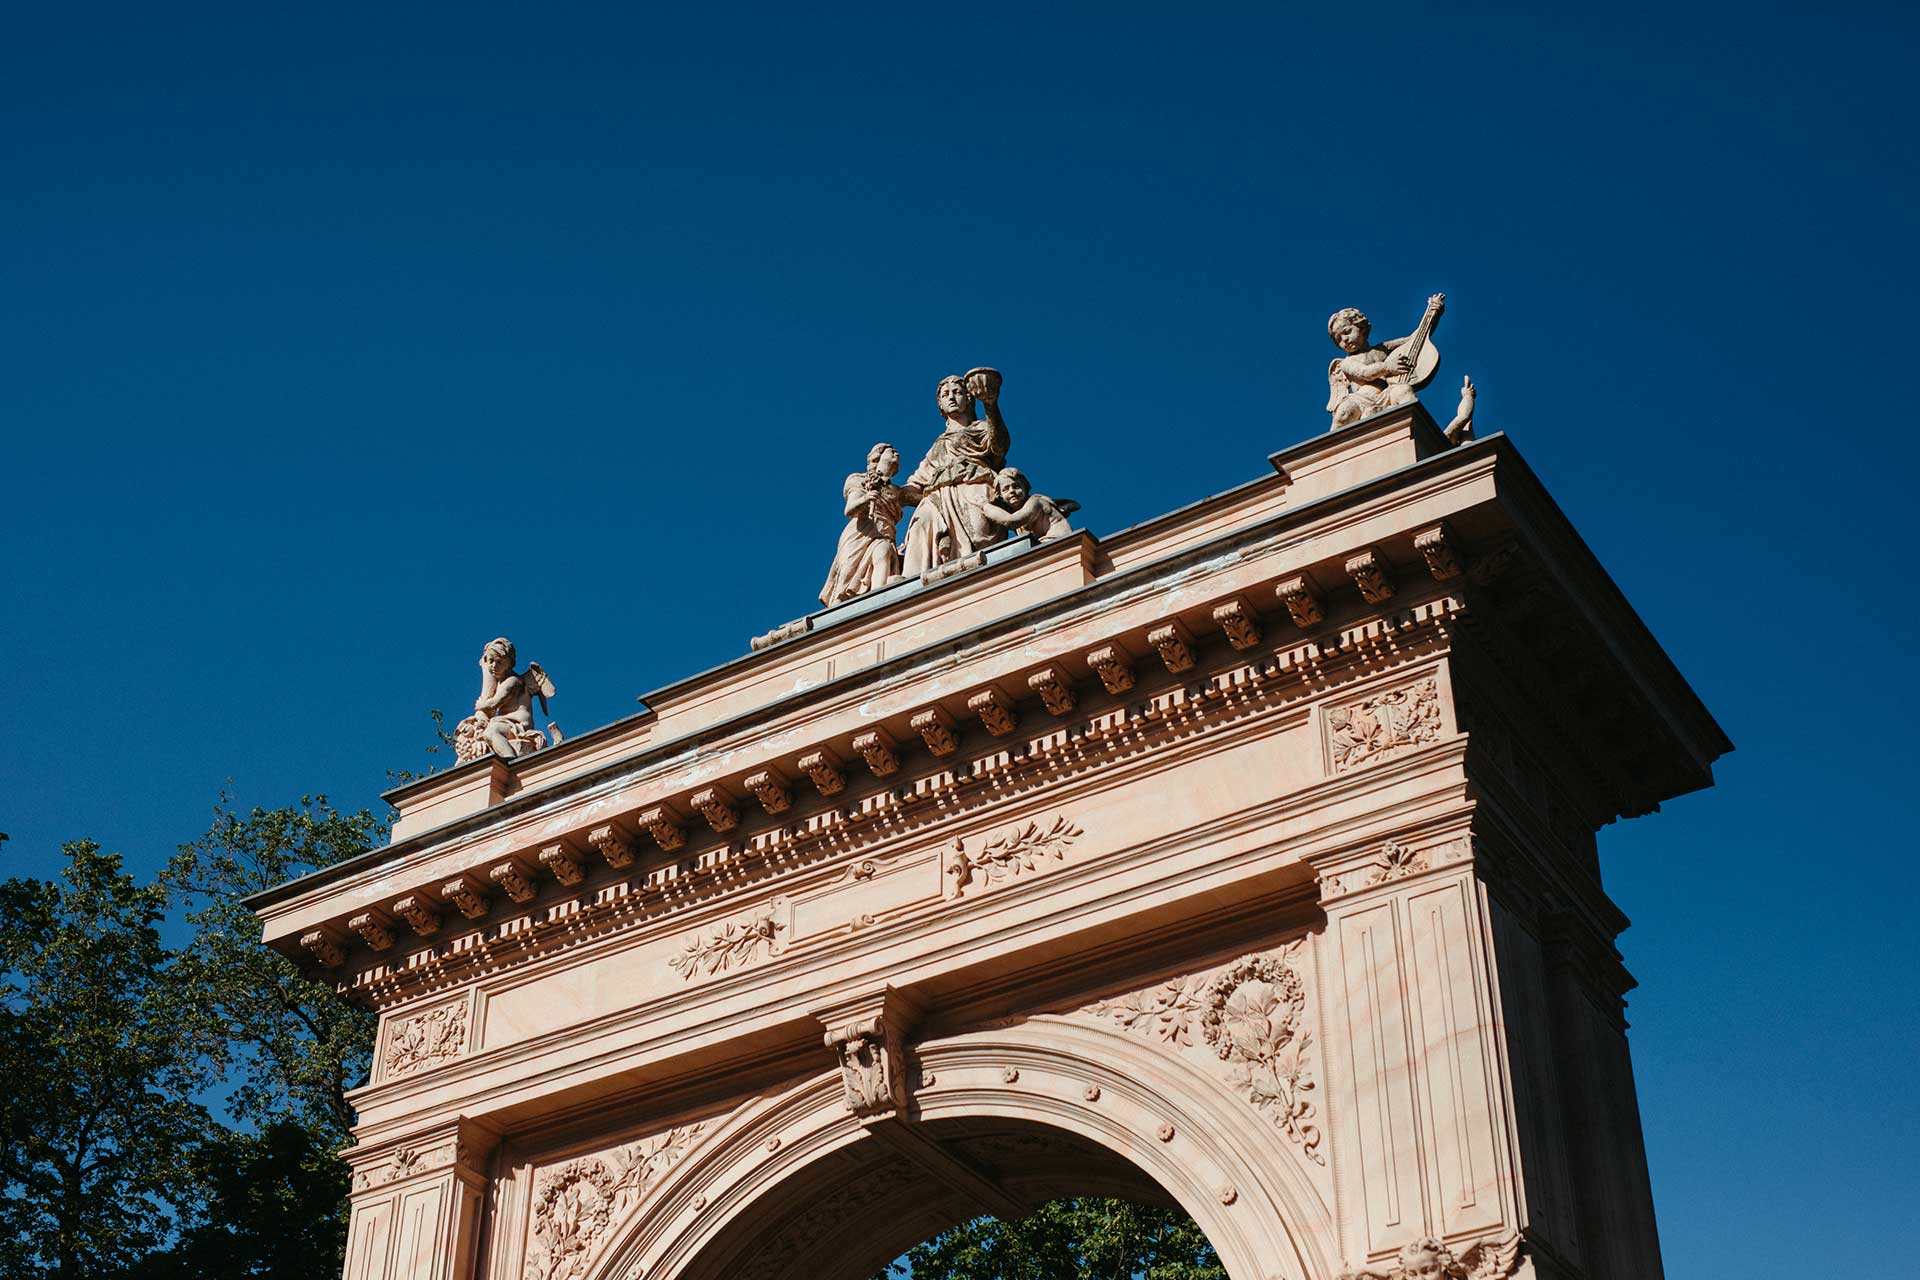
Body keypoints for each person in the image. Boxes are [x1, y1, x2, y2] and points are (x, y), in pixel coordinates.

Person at [899, 369, 1010, 577]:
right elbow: (917, 484)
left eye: (957, 392)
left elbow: (999, 446)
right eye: (945, 394)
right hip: (937, 498)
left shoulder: (982, 427)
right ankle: (911, 584)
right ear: (940, 405)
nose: (951, 397)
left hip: (974, 488)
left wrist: (990, 405)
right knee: (920, 524)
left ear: (968, 398)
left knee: (980, 531)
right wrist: (894, 493)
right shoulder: (938, 446)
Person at [1326, 293, 1444, 429]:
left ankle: (1418, 430)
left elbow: (1416, 338)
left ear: (1362, 328)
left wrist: (1433, 314)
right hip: (1361, 399)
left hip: (1387, 394)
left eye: (1347, 332)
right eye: (1339, 339)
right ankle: (1331, 447)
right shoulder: (1345, 363)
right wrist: (1388, 367)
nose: (1344, 340)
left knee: (1404, 391)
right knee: (1343, 413)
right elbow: (1364, 372)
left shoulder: (1382, 349)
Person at [819, 443, 905, 606]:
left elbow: (921, 492)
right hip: (861, 533)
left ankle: (879, 599)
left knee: (884, 553)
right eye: (891, 452)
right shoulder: (858, 480)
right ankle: (840, 606)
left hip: (884, 535)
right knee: (847, 575)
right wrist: (866, 498)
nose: (897, 454)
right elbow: (850, 510)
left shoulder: (897, 491)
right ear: (876, 459)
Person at [971, 466, 1078, 543]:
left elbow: (1010, 521)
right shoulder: (1017, 512)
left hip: (1060, 542)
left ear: (1025, 488)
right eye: (1005, 489)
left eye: (1016, 486)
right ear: (1000, 496)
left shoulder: (1036, 502)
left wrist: (985, 505)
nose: (1011, 491)